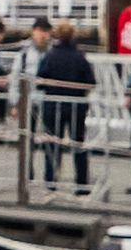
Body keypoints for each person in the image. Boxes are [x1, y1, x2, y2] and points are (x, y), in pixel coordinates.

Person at [36, 20, 97, 196]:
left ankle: (51, 181)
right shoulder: (80, 56)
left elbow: (40, 81)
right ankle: (81, 183)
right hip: (76, 107)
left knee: (53, 144)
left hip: (53, 106)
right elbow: (90, 82)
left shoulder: (50, 56)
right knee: (78, 144)